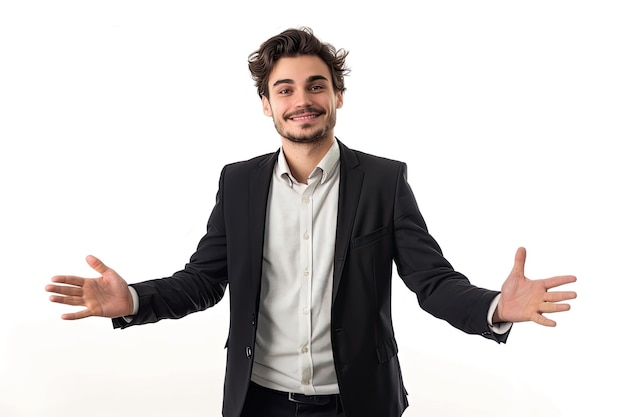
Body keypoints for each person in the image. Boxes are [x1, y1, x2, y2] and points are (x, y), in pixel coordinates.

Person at [45, 27, 577, 417]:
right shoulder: (239, 183)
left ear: (337, 96)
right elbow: (204, 281)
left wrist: (495, 307)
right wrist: (132, 300)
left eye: (316, 86)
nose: (302, 101)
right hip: (258, 402)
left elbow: (431, 282)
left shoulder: (383, 182)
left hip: (360, 404)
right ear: (266, 105)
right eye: (285, 89)